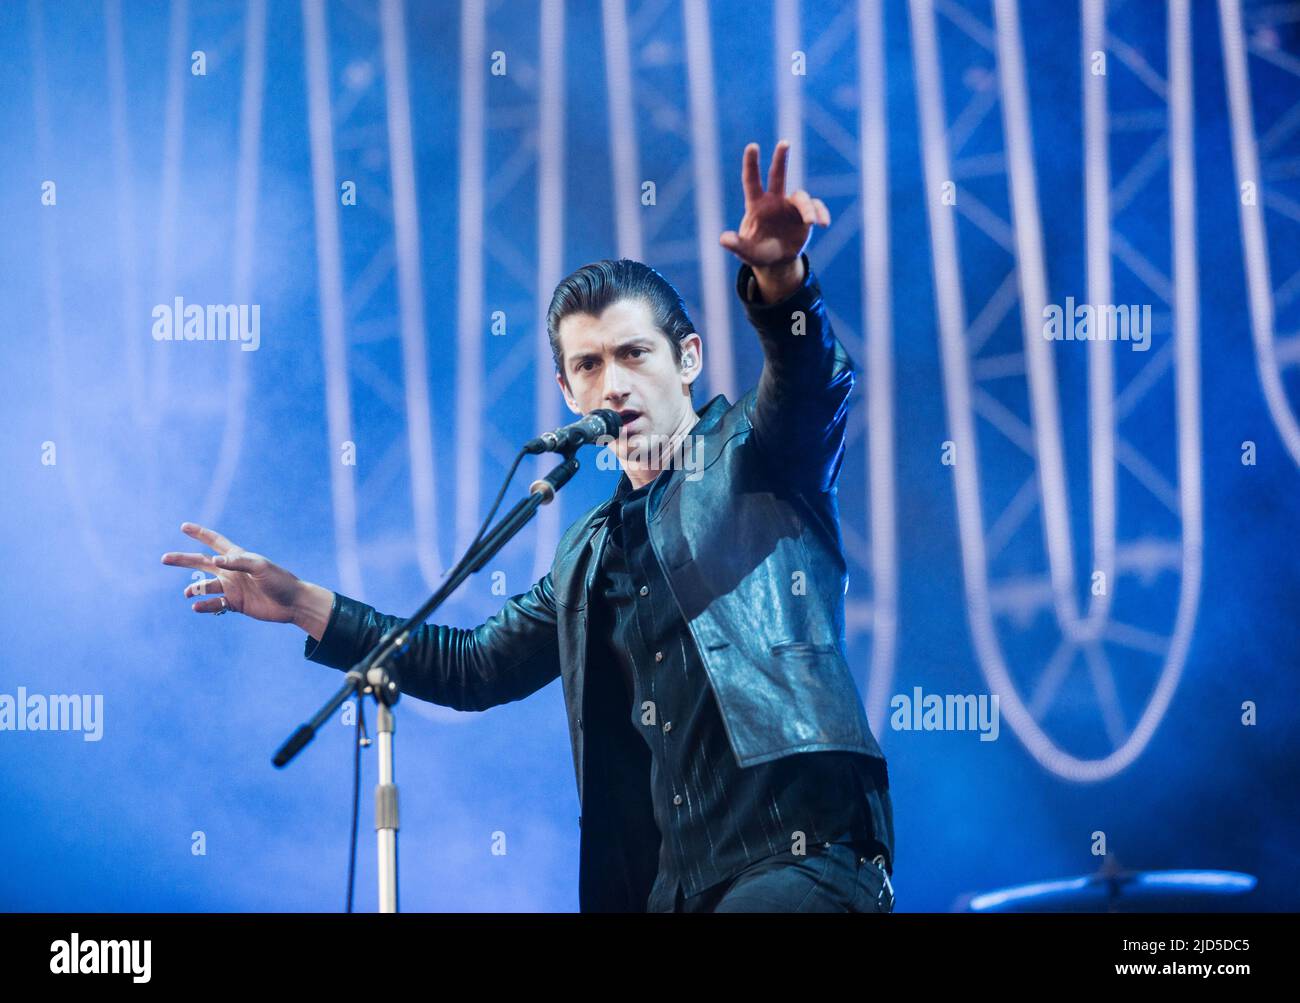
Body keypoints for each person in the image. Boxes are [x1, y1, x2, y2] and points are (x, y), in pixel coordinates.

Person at [163, 140, 895, 913]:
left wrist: (781, 284)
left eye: (634, 353)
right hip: (671, 893)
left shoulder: (758, 453)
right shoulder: (591, 551)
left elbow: (813, 383)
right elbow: (474, 665)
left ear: (688, 358)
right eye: (588, 366)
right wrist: (304, 602)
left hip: (805, 862)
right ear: (567, 389)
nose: (613, 383)